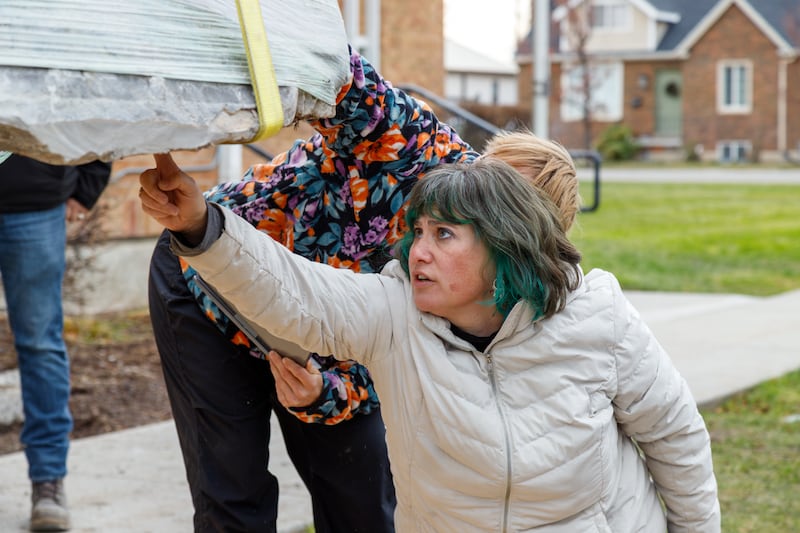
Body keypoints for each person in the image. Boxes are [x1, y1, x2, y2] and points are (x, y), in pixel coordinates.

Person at [140, 155, 721, 532]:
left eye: (444, 234)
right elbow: (294, 292)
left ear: (505, 246)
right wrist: (199, 226)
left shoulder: (598, 316)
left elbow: (676, 440)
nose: (418, 252)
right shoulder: (396, 315)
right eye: (418, 233)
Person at [146, 46, 582, 532]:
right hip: (209, 273)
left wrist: (323, 394)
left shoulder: (496, 282)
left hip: (319, 342)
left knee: (367, 503)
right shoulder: (413, 143)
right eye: (499, 201)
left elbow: (407, 350)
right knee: (233, 493)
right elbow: (338, 76)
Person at [0, 154, 111, 532]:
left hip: (37, 201)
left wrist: (89, 182)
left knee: (40, 345)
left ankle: (48, 483)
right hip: (39, 199)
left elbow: (89, 101)